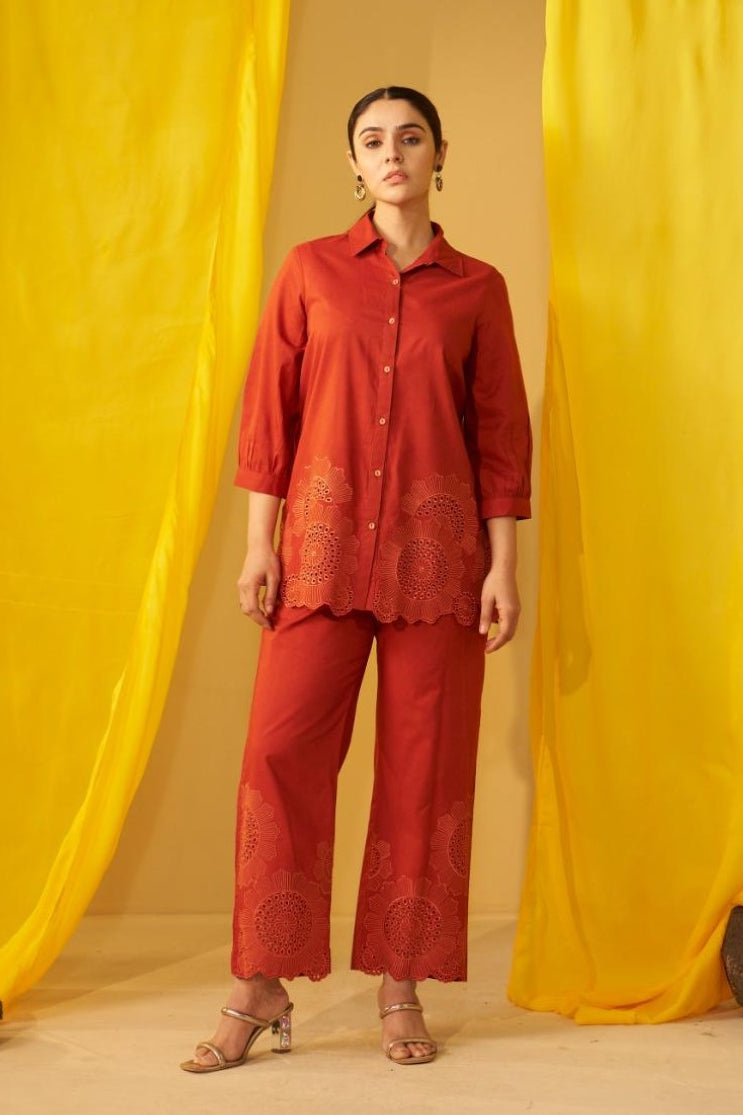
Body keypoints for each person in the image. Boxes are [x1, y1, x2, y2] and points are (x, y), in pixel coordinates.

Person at [180, 84, 532, 1072]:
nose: (391, 153)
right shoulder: (309, 272)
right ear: (353, 161)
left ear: (438, 154)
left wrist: (502, 568)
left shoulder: (478, 288)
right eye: (372, 140)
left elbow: (501, 440)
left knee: (424, 770)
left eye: (409, 138)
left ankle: (400, 986)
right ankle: (259, 983)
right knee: (277, 755)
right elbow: (270, 414)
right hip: (318, 551)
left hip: (438, 563)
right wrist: (260, 545)